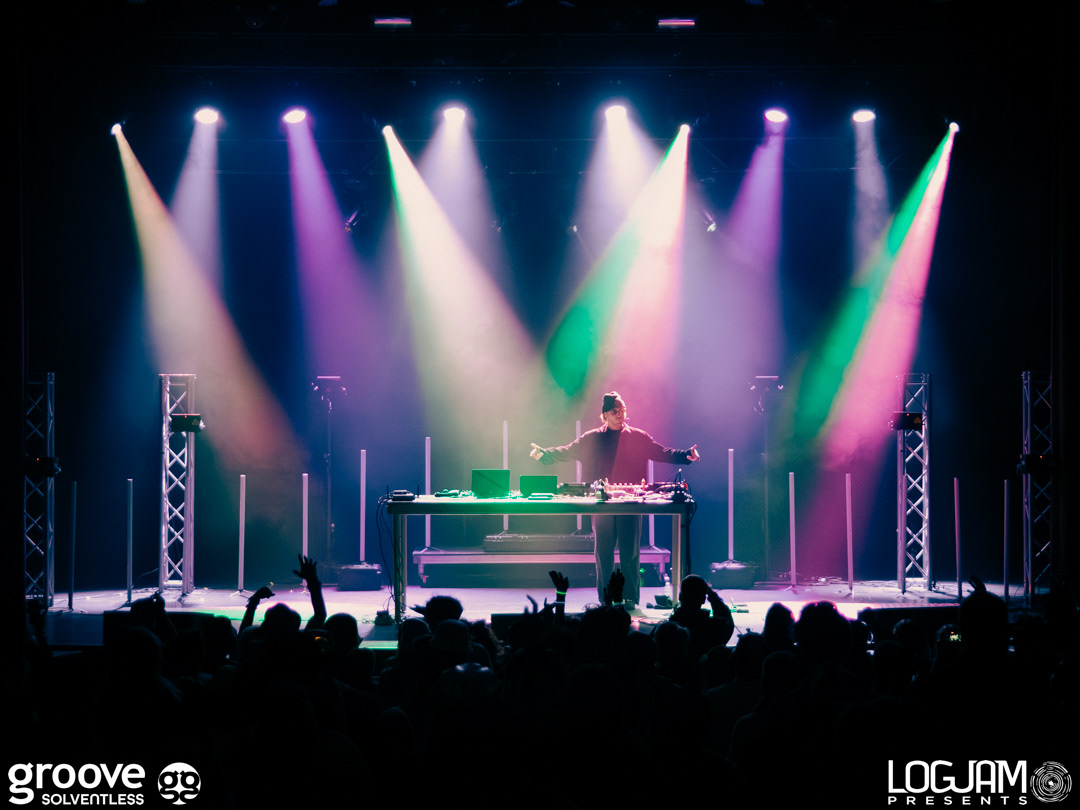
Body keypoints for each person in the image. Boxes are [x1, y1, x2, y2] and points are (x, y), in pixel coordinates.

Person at [529, 391, 700, 606]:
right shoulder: (592, 438)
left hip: (631, 504)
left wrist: (686, 455)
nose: (620, 414)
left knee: (630, 554)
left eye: (623, 410)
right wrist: (544, 454)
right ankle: (605, 599)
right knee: (603, 554)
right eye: (615, 411)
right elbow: (568, 451)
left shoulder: (638, 437)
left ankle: (629, 599)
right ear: (604, 415)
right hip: (602, 505)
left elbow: (662, 452)